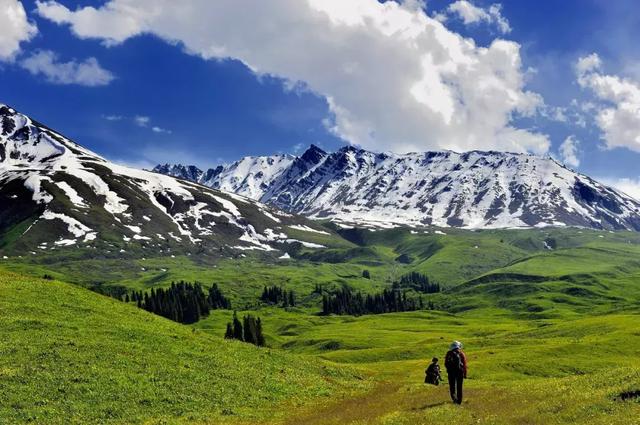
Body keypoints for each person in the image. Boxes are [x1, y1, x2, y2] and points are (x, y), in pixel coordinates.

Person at [444, 340, 467, 404]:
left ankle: (454, 399)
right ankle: (459, 401)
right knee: (459, 387)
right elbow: (464, 364)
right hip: (460, 372)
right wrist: (465, 373)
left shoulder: (449, 353)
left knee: (452, 386)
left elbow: (445, 363)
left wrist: (449, 370)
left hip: (451, 373)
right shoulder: (461, 353)